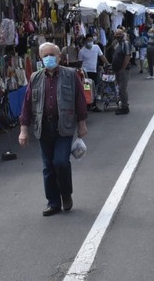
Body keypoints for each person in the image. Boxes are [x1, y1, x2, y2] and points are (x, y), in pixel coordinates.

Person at [18, 42, 88, 216]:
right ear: (40, 59)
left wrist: (82, 123)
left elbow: (80, 99)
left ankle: (66, 194)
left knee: (61, 162)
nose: (49, 58)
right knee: (48, 166)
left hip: (64, 126)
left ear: (59, 57)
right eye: (45, 55)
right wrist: (23, 130)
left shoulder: (71, 75)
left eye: (52, 55)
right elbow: (27, 105)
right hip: (43, 127)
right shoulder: (35, 77)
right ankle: (53, 202)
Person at [78, 35, 108, 112]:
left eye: (91, 40)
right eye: (88, 40)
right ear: (85, 41)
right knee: (87, 88)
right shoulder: (82, 51)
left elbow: (102, 56)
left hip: (94, 71)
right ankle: (89, 104)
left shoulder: (96, 47)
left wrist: (107, 64)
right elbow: (80, 63)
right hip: (85, 72)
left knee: (94, 88)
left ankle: (93, 104)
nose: (90, 42)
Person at [111, 28, 133, 115]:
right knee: (119, 89)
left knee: (122, 89)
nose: (117, 37)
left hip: (123, 70)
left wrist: (122, 68)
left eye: (119, 35)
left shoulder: (125, 43)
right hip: (117, 69)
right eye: (116, 35)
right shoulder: (118, 44)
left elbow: (127, 56)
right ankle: (123, 104)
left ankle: (125, 107)